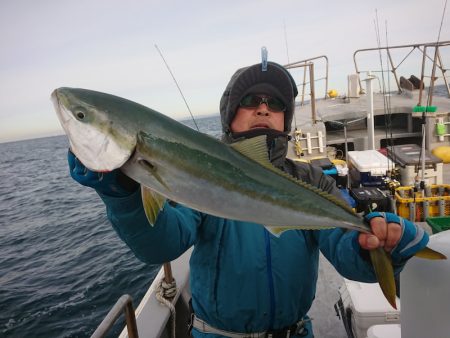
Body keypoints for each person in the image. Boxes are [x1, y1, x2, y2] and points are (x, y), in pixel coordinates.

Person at [68, 61, 429, 337]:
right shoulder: (195, 175)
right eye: (250, 101)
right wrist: (123, 195)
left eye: (274, 103)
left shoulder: (309, 179)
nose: (262, 108)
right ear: (230, 113)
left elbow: (346, 250)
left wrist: (381, 243)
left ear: (285, 117)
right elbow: (161, 244)